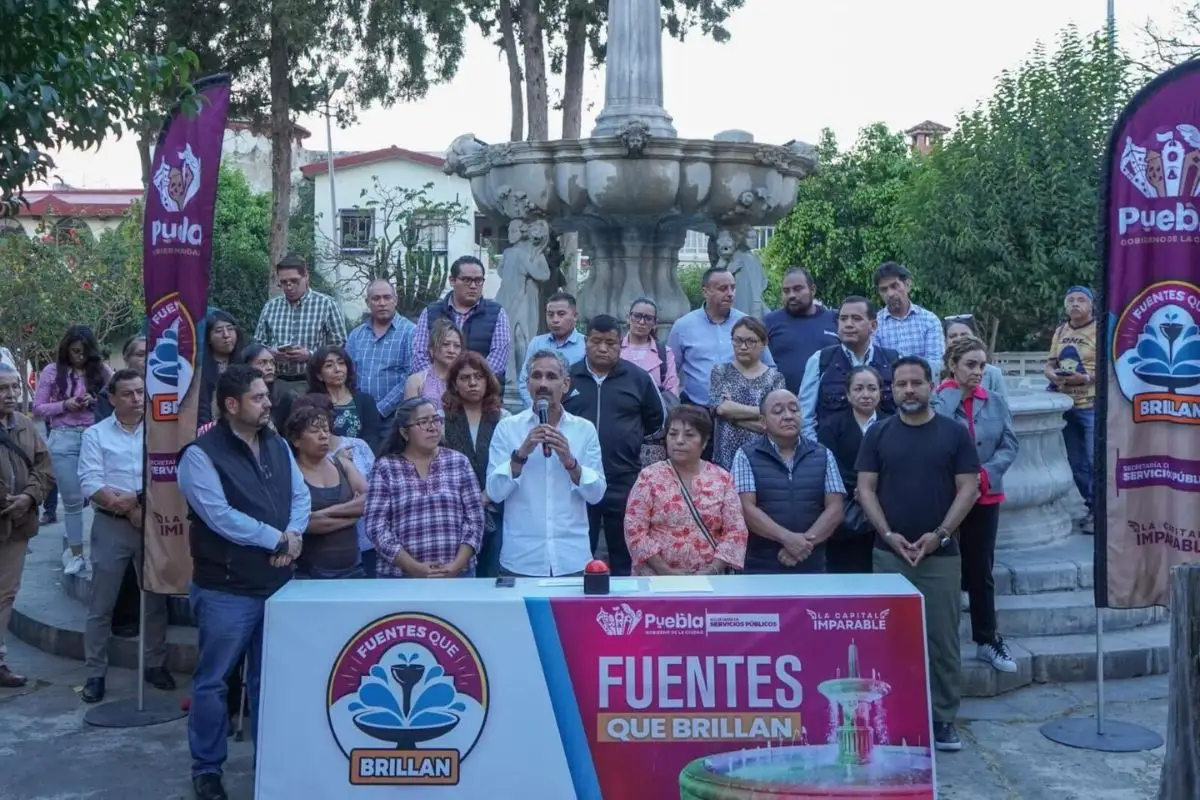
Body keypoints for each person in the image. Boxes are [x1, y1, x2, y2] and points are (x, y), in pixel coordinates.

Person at [177, 365, 310, 800]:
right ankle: (207, 770)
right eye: (258, 397)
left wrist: (293, 535)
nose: (268, 402)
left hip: (277, 584)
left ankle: (269, 765)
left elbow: (300, 494)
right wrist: (277, 537)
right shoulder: (199, 454)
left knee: (268, 683)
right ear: (231, 405)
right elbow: (219, 516)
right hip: (226, 591)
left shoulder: (276, 443)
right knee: (214, 682)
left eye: (266, 395)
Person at [855, 356, 981, 753]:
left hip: (940, 557)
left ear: (931, 386)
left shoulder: (954, 434)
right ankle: (888, 716)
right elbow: (865, 490)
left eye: (916, 383)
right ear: (892, 390)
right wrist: (888, 534)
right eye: (901, 384)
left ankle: (943, 718)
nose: (908, 390)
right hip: (889, 554)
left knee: (943, 641)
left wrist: (940, 535)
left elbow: (969, 489)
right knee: (887, 643)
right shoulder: (877, 434)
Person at [78, 369, 173, 703]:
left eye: (140, 393)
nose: (136, 400)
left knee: (155, 599)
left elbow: (166, 476)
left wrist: (136, 500)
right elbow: (90, 481)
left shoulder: (160, 432)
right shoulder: (96, 434)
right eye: (128, 394)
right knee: (102, 602)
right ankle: (94, 672)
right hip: (111, 524)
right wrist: (125, 507)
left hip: (153, 521)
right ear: (112, 398)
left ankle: (154, 664)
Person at [935, 336, 1019, 674]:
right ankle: (942, 643)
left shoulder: (995, 401)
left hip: (985, 496)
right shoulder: (939, 401)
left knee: (981, 569)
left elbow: (1009, 444)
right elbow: (934, 439)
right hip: (947, 500)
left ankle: (987, 639)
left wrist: (985, 473)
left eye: (982, 365)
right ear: (953, 365)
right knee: (945, 569)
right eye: (970, 364)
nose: (978, 371)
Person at [486, 350, 606, 577]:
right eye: (536, 376)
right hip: (521, 560)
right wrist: (520, 455)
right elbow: (494, 492)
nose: (543, 383)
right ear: (527, 383)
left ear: (566, 384)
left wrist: (571, 463)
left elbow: (596, 494)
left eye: (551, 377)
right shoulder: (507, 428)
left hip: (572, 559)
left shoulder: (584, 429)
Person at [563, 315, 664, 576]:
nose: (603, 348)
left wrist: (627, 440)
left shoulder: (638, 378)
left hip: (623, 477)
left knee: (624, 549)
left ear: (620, 344)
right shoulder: (568, 378)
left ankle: (623, 606)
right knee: (580, 550)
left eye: (610, 342)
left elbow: (656, 419)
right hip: (577, 478)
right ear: (586, 342)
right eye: (596, 341)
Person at [364, 397, 484, 578]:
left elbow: (475, 518)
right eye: (423, 422)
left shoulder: (458, 462)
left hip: (458, 574)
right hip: (400, 576)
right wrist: (412, 567)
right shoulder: (386, 468)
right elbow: (376, 526)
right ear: (404, 433)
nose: (432, 427)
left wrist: (457, 565)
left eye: (436, 420)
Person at [623, 405, 747, 576]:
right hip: (656, 579)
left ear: (704, 441)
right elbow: (634, 528)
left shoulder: (722, 479)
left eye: (689, 435)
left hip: (710, 581)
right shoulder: (649, 477)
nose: (679, 440)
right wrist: (664, 570)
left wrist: (712, 570)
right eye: (673, 434)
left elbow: (736, 531)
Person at [733, 388, 845, 574]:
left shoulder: (822, 454)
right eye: (778, 411)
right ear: (763, 421)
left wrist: (803, 545)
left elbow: (835, 509)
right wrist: (787, 539)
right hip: (762, 564)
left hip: (812, 562)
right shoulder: (746, 455)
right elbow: (746, 508)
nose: (788, 416)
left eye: (794, 410)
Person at [33, 325, 111, 575]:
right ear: (66, 350)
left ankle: (102, 552)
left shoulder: (101, 371)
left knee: (104, 498)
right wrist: (64, 404)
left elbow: (116, 398)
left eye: (84, 352)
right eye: (75, 351)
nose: (79, 356)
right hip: (63, 437)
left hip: (94, 436)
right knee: (72, 501)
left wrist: (94, 400)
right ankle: (77, 554)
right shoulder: (52, 372)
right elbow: (38, 408)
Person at [0, 363, 54, 688]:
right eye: (3, 389)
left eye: (14, 387)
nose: (11, 395)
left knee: (5, 595)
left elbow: (45, 466)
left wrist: (29, 498)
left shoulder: (24, 424)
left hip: (18, 524)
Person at [667, 266, 776, 411]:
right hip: (698, 412)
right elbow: (669, 373)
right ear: (705, 292)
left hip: (741, 415)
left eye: (733, 288)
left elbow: (769, 367)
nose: (730, 294)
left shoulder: (747, 324)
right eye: (723, 288)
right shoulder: (683, 326)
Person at [440, 352, 509, 578]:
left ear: (488, 381)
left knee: (492, 576)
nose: (472, 383)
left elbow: (510, 465)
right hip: (453, 512)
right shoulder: (440, 420)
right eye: (465, 377)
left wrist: (485, 497)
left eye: (478, 377)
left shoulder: (504, 418)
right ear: (454, 384)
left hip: (497, 509)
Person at [817, 366, 889, 574]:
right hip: (845, 508)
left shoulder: (891, 424)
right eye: (858, 389)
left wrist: (872, 492)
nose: (866, 394)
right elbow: (829, 466)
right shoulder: (831, 426)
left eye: (871, 388)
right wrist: (860, 490)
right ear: (848, 395)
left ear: (880, 392)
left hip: (884, 506)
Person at [284, 402, 367, 579]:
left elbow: (369, 501)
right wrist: (352, 516)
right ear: (296, 440)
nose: (323, 436)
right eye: (315, 431)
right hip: (308, 575)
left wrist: (324, 513)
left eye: (326, 430)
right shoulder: (291, 474)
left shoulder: (342, 464)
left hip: (354, 570)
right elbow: (304, 524)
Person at [799, 296, 898, 442]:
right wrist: (820, 454)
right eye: (843, 319)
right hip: (834, 455)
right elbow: (805, 417)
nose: (848, 324)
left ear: (874, 325)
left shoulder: (893, 360)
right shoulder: (821, 360)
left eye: (856, 318)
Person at [253, 254, 348, 396]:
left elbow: (340, 346)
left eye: (294, 281)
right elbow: (257, 345)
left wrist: (310, 355)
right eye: (284, 282)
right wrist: (271, 353)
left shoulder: (326, 304)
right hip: (276, 383)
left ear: (306, 277)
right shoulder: (271, 307)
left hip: (313, 383)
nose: (289, 286)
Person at [1043, 286, 1096, 534]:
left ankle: (1101, 512)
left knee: (1095, 459)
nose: (1075, 304)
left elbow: (1111, 364)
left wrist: (1084, 379)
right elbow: (1050, 363)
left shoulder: (1101, 328)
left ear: (1091, 305)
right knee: (1076, 463)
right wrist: (1053, 375)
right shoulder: (1061, 330)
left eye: (1081, 300)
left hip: (1092, 405)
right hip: (1066, 405)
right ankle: (1091, 506)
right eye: (1070, 300)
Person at [412, 255, 511, 386]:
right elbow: (419, 355)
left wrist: (468, 382)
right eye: (466, 280)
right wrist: (440, 383)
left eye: (478, 280)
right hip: (435, 393)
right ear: (452, 281)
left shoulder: (497, 313)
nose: (473, 286)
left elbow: (498, 359)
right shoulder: (431, 312)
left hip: (480, 394)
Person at [709, 317, 785, 469]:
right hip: (725, 457)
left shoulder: (775, 378)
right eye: (737, 340)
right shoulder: (720, 371)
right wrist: (762, 412)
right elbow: (721, 408)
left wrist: (733, 418)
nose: (743, 347)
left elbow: (772, 422)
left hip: (762, 456)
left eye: (750, 341)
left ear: (764, 343)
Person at [344, 279, 416, 424]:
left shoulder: (411, 332)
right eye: (376, 298)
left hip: (395, 418)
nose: (382, 303)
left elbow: (410, 378)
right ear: (367, 302)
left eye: (387, 297)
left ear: (395, 300)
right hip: (359, 416)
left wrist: (379, 410)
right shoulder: (356, 335)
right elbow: (347, 375)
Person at [622, 297, 680, 466]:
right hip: (621, 423)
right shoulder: (615, 349)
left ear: (655, 322)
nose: (641, 322)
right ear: (628, 317)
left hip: (652, 431)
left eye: (648, 318)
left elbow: (672, 390)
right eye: (637, 316)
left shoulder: (664, 352)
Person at [765, 267, 839, 393]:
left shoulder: (835, 319)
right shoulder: (769, 322)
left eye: (798, 289)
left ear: (813, 289)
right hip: (784, 405)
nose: (792, 295)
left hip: (829, 404)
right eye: (786, 291)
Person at [299, 345, 382, 448]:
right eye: (329, 365)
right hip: (322, 459)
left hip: (360, 458)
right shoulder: (309, 403)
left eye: (341, 363)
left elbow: (372, 438)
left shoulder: (365, 400)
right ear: (319, 375)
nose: (338, 369)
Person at [872, 261, 945, 370]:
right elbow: (876, 366)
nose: (890, 294)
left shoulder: (929, 320)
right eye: (884, 289)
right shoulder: (874, 324)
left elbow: (935, 365)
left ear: (907, 285)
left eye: (894, 286)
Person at [518, 291, 585, 408]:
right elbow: (524, 381)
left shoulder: (585, 345)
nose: (555, 320)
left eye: (561, 314)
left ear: (575, 316)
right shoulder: (537, 343)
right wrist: (537, 408)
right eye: (550, 314)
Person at [197, 309, 246, 426]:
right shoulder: (200, 369)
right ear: (208, 338)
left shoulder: (244, 364)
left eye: (230, 329)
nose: (226, 335)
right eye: (219, 331)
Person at [943, 315, 1006, 398]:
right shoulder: (934, 372)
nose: (959, 339)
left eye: (964, 335)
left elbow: (1003, 407)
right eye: (953, 336)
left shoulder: (993, 374)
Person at [405, 318, 463, 408]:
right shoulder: (416, 382)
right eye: (445, 344)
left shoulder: (465, 381)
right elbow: (411, 418)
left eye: (457, 346)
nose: (452, 350)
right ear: (431, 348)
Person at [94, 335, 147, 422]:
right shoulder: (109, 392)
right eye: (141, 355)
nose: (147, 358)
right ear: (126, 358)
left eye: (152, 354)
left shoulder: (167, 389)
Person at [234, 344, 286, 431]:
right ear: (247, 366)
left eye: (272, 362)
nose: (270, 368)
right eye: (262, 363)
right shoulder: (236, 395)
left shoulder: (285, 398)